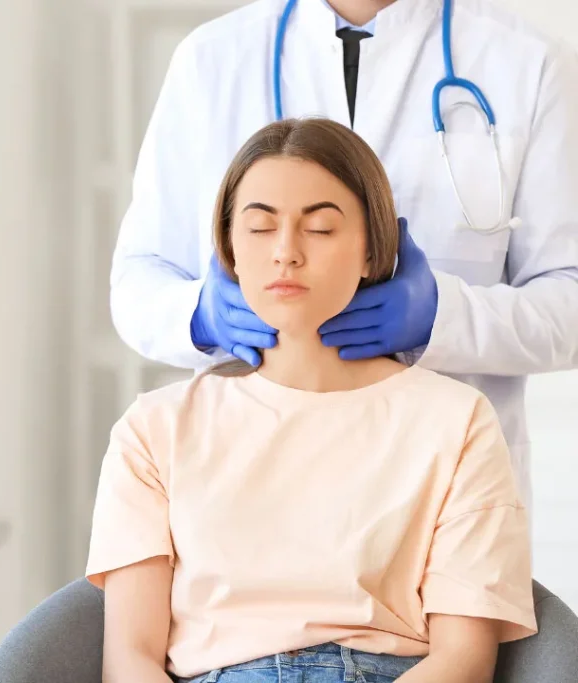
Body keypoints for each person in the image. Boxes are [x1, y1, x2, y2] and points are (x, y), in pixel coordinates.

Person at [87, 118, 536, 683]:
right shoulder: (153, 431)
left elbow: (464, 660)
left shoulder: (457, 421)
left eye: (320, 229)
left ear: (375, 252)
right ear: (227, 249)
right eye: (257, 227)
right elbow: (129, 661)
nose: (286, 253)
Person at [109, 0, 578, 507]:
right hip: (245, 474)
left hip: (439, 488)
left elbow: (568, 297)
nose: (288, 251)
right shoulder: (212, 59)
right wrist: (200, 315)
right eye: (262, 225)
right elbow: (138, 281)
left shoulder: (526, 62)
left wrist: (445, 318)